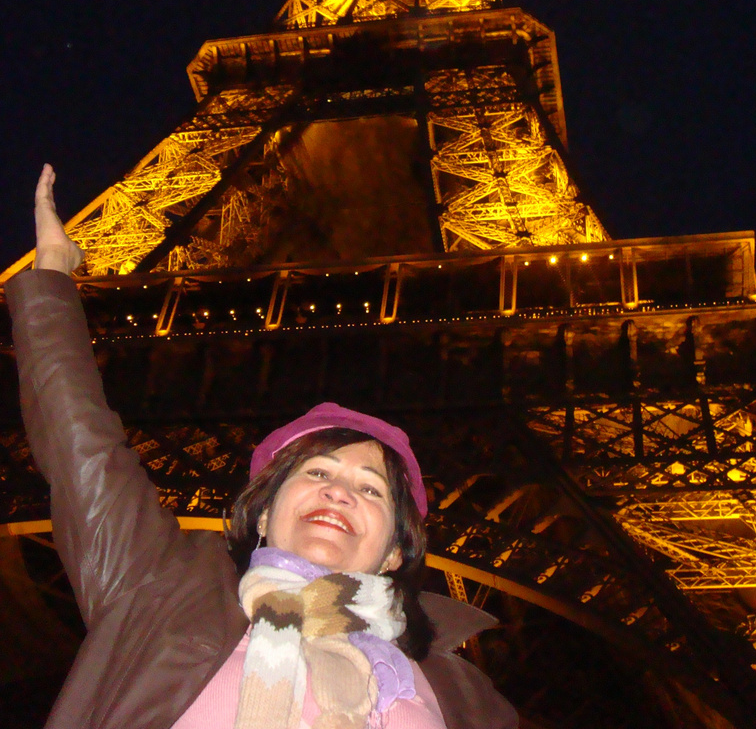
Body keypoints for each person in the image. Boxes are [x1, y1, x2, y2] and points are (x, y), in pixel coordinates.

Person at [4, 165, 518, 729]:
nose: (340, 492)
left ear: (396, 551)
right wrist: (52, 272)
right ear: (266, 513)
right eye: (318, 472)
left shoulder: (461, 694)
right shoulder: (160, 596)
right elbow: (86, 454)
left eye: (371, 488)